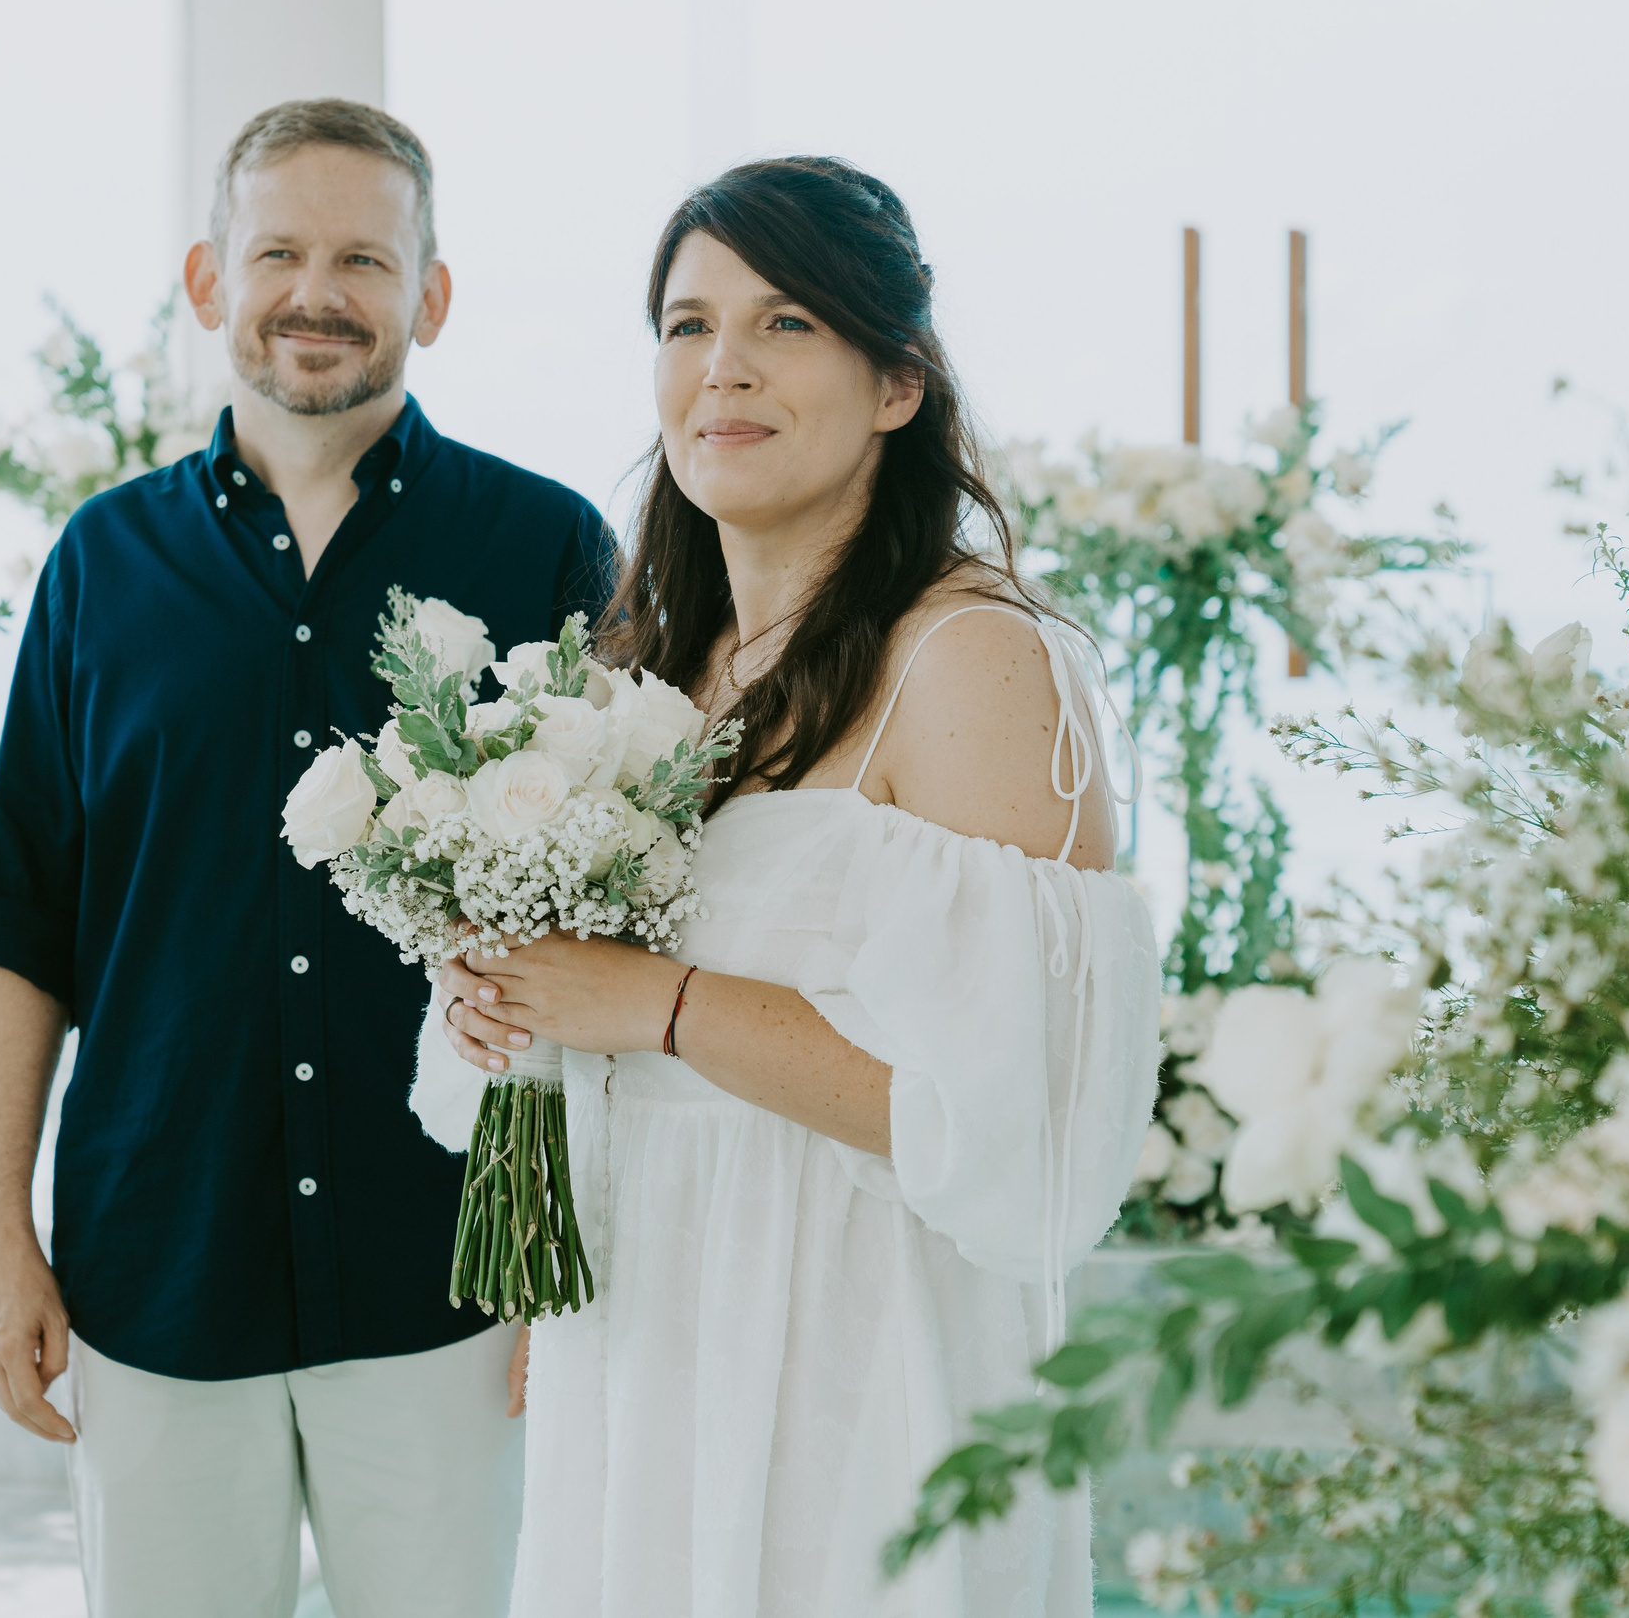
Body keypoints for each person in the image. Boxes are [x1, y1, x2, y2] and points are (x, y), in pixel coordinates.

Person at [423, 157, 1163, 1616]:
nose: (723, 371)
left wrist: (663, 1005)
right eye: (688, 326)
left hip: (862, 1367)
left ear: (897, 383)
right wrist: (512, 1003)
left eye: (785, 325)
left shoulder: (974, 661)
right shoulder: (644, 676)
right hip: (645, 1356)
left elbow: (1035, 1125)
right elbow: (605, 1041)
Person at [0, 98, 617, 1618]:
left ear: (429, 297)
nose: (316, 292)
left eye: (364, 259)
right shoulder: (99, 569)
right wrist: (3, 1230)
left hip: (453, 1277)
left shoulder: (549, 549)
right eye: (279, 252)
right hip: (154, 1265)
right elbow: (22, 926)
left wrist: (569, 1246)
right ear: (209, 280)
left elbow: (620, 922)